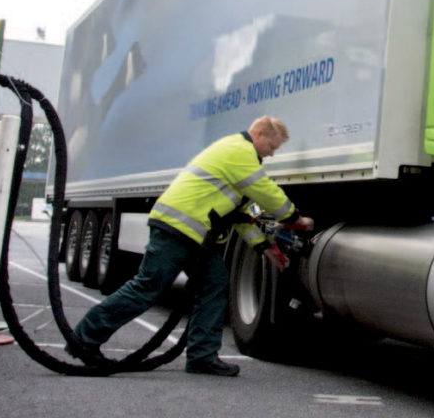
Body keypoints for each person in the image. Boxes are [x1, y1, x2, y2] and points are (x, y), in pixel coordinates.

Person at [67, 115, 314, 376]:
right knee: (147, 287)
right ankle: (83, 339)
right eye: (272, 147)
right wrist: (295, 218)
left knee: (215, 284)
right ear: (261, 135)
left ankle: (202, 356)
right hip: (178, 230)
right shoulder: (240, 152)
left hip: (196, 238)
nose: (272, 154)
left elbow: (244, 212)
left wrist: (264, 246)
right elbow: (265, 192)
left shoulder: (241, 159)